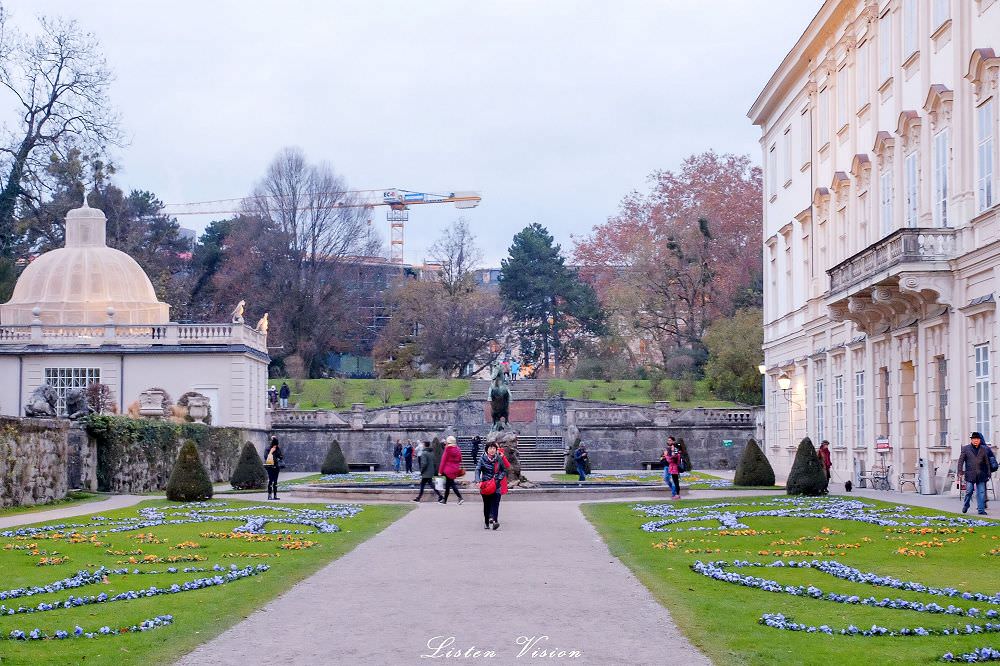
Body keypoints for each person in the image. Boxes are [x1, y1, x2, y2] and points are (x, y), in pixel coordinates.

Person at [475, 442, 509, 530]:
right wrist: (478, 480)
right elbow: (478, 470)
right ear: (487, 450)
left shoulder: (499, 458)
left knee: (496, 503)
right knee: (487, 504)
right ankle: (486, 522)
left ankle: (495, 521)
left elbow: (504, 470)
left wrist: (499, 478)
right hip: (486, 485)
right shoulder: (482, 459)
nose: (492, 450)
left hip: (496, 484)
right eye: (490, 448)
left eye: (494, 448)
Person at [959, 431, 991, 515]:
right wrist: (960, 471)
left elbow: (987, 462)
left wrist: (988, 472)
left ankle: (981, 510)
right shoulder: (966, 448)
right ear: (971, 440)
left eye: (977, 439)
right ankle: (966, 505)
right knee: (969, 491)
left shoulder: (984, 449)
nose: (976, 440)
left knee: (981, 492)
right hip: (970, 474)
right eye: (974, 439)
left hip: (981, 474)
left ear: (980, 440)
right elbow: (961, 461)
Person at [438, 435, 465, 504]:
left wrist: (440, 471)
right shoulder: (458, 449)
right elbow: (460, 459)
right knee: (448, 484)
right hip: (455, 469)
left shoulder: (447, 449)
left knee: (452, 484)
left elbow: (443, 461)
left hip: (448, 470)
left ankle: (460, 497)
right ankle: (445, 500)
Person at [263, 436, 283, 500]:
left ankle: (275, 495)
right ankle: (269, 495)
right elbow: (266, 457)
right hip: (270, 467)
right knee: (271, 481)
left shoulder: (278, 449)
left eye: (276, 445)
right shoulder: (268, 449)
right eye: (274, 445)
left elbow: (281, 457)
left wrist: (279, 455)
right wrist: (271, 452)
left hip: (276, 467)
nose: (275, 446)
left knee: (275, 482)